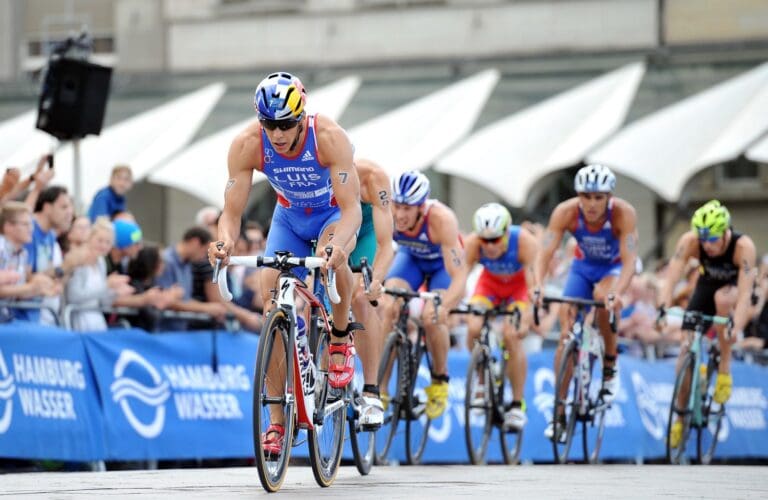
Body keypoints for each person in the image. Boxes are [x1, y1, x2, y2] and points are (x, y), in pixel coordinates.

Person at [210, 72, 362, 452]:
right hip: (289, 219)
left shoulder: (328, 137)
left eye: (286, 124)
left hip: (331, 216)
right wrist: (225, 242)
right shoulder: (247, 144)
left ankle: (340, 341)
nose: (277, 134)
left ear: (301, 117)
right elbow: (230, 213)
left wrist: (337, 247)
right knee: (270, 301)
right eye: (269, 124)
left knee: (334, 261)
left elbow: (352, 212)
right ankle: (278, 421)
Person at [533, 164, 638, 441]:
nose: (591, 204)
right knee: (566, 335)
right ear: (578, 195)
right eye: (586, 196)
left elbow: (629, 263)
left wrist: (619, 292)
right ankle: (559, 413)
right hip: (582, 267)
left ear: (609, 197)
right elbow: (544, 254)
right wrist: (538, 285)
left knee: (604, 300)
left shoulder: (624, 214)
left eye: (599, 197)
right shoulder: (565, 212)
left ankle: (610, 366)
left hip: (612, 269)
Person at [657, 200, 757, 448]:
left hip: (732, 289)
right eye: (703, 240)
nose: (707, 246)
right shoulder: (690, 241)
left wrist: (737, 325)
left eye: (713, 239)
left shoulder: (742, 246)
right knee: (684, 349)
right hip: (706, 283)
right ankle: (680, 415)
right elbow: (671, 278)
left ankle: (724, 367)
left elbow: (745, 294)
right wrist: (661, 307)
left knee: (722, 301)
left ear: (725, 232)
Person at [379, 171, 469, 420]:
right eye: (396, 206)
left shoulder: (441, 220)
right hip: (411, 259)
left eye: (407, 208)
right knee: (389, 308)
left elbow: (460, 276)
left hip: (442, 267)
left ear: (421, 207)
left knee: (432, 317)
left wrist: (445, 307)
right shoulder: (388, 215)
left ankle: (440, 380)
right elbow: (381, 251)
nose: (400, 215)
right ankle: (380, 390)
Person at [463, 202, 540, 431]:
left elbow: (534, 283)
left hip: (519, 288)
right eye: (484, 240)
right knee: (473, 325)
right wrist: (447, 305)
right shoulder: (473, 244)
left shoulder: (525, 242)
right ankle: (480, 378)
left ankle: (517, 405)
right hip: (490, 285)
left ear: (507, 232)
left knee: (511, 335)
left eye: (495, 240)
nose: (489, 246)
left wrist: (526, 317)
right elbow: (459, 279)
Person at [346, 158, 395, 429]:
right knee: (313, 300)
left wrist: (376, 279)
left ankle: (371, 390)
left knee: (361, 298)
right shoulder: (312, 177)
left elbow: (385, 244)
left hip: (366, 235)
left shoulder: (373, 178)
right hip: (330, 231)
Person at [64, 218, 134, 331]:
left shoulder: (101, 262)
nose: (103, 246)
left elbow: (102, 302)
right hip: (79, 322)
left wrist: (114, 292)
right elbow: (73, 296)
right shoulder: (80, 260)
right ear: (90, 238)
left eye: (108, 242)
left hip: (97, 321)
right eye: (100, 240)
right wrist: (106, 285)